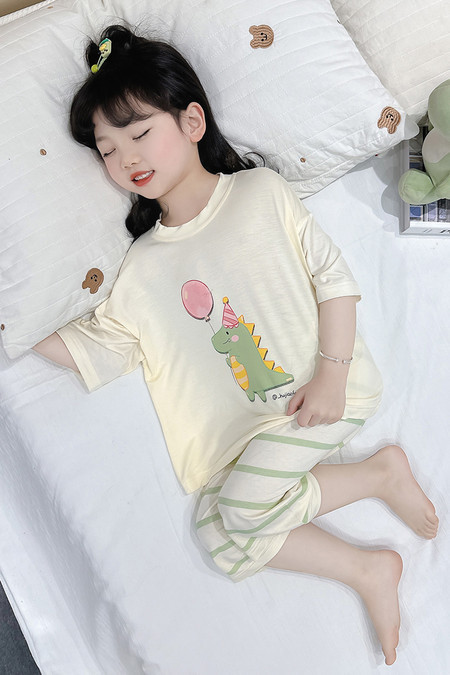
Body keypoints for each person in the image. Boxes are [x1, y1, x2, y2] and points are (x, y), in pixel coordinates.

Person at [32, 24, 438, 666]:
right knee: (217, 536)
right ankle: (368, 559)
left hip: (317, 398)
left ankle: (376, 484)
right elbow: (100, 350)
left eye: (139, 133)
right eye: (107, 150)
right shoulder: (138, 270)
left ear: (192, 121)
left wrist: (332, 374)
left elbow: (334, 280)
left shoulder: (259, 193)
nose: (126, 159)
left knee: (242, 512)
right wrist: (21, 325)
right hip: (236, 443)